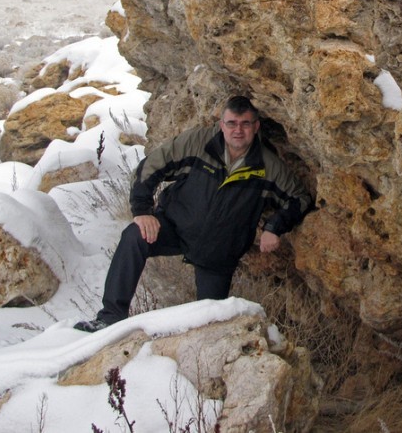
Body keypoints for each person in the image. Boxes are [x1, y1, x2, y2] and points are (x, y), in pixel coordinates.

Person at [74, 96, 313, 332]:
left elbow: (300, 198)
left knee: (209, 327)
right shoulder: (198, 143)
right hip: (175, 227)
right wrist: (143, 211)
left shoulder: (267, 166)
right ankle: (110, 317)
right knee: (134, 236)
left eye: (245, 124)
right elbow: (150, 166)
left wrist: (274, 227)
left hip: (218, 253)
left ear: (256, 126)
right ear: (222, 125)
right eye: (231, 123)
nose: (238, 130)